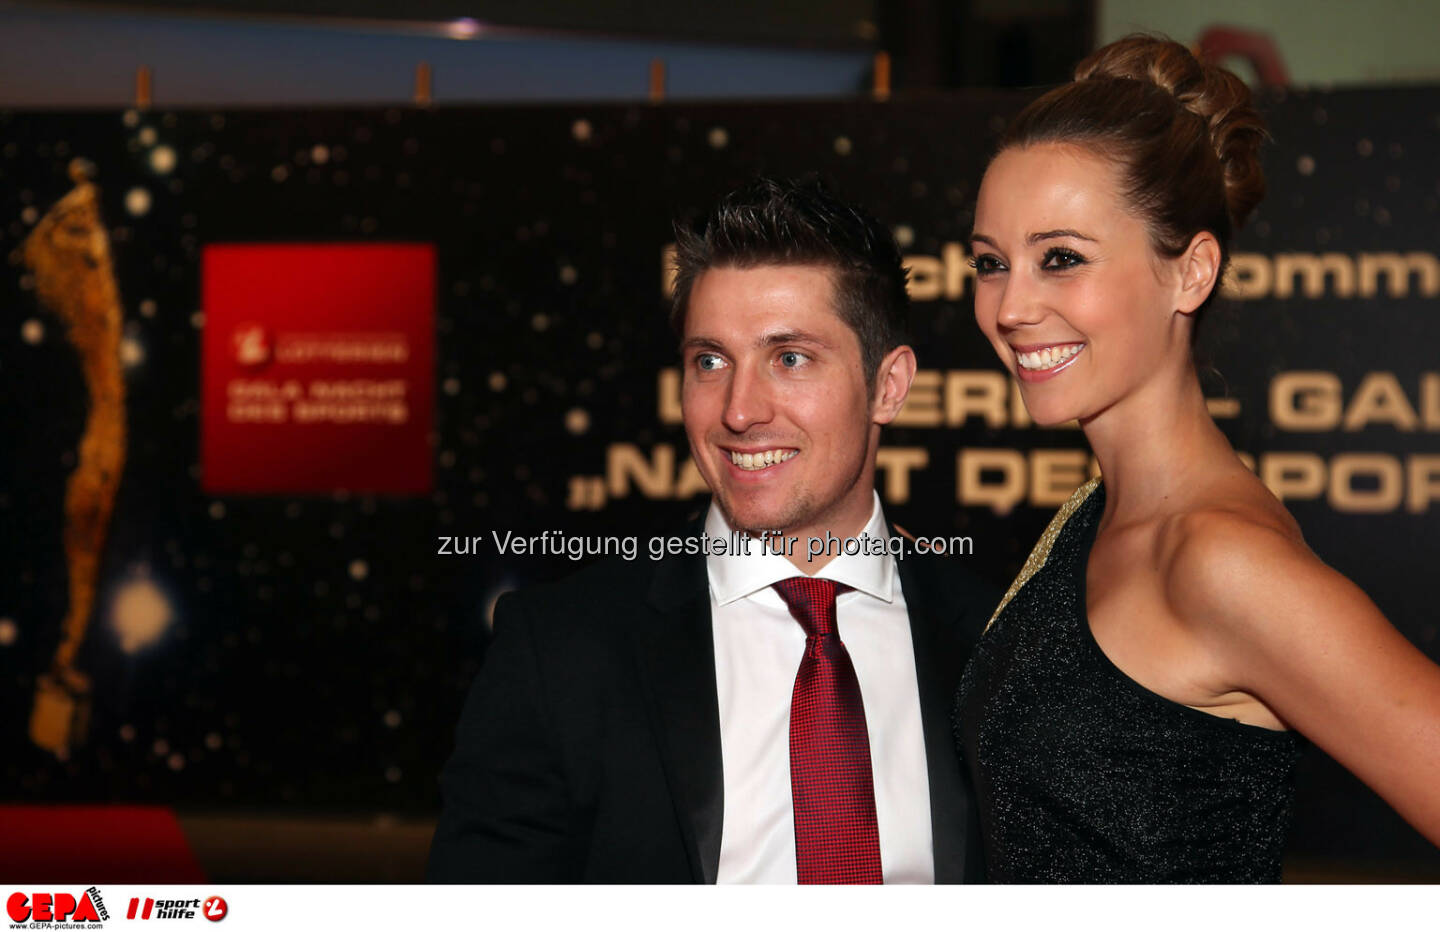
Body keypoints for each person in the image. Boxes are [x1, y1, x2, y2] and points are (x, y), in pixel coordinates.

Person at [954, 34, 1440, 883]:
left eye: (1061, 258)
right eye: (992, 264)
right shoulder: (1095, 511)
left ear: (1192, 272)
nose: (1011, 306)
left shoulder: (1221, 559)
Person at [429, 177, 1001, 883]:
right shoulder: (559, 652)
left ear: (888, 385)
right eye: (710, 361)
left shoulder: (997, 641)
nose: (738, 410)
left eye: (789, 358)